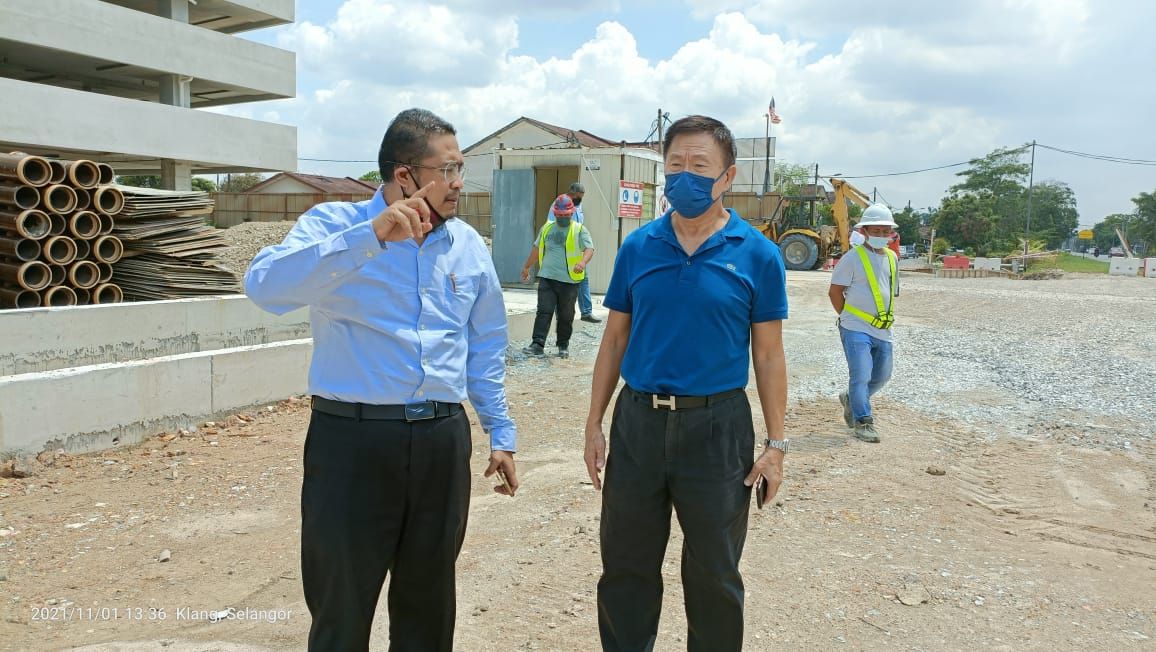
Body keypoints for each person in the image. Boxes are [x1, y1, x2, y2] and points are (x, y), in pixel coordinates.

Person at [244, 108, 518, 651]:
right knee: (342, 601)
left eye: (462, 167)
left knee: (429, 601)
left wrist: (500, 432)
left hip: (441, 439)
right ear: (405, 175)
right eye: (449, 170)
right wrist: (370, 237)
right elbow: (265, 287)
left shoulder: (468, 246)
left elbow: (485, 346)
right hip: (353, 442)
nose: (460, 183)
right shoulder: (332, 227)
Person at [583, 115, 789, 651]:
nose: (685, 177)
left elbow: (768, 356)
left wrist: (776, 445)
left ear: (728, 177)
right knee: (626, 567)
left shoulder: (759, 255)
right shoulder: (639, 247)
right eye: (675, 165)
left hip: (717, 429)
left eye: (700, 166)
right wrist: (593, 424)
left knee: (714, 574)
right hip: (638, 425)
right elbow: (613, 341)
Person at [829, 203, 899, 443]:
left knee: (881, 376)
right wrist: (848, 317)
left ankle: (851, 399)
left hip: (882, 328)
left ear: (891, 233)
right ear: (865, 231)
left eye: (885, 231)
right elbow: (835, 292)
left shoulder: (892, 258)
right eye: (875, 230)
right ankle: (863, 421)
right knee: (861, 374)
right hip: (855, 327)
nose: (880, 235)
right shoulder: (852, 258)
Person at [521, 193, 595, 359]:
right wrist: (526, 267)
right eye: (559, 215)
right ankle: (537, 344)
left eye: (565, 215)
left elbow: (589, 249)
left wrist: (582, 262)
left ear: (572, 213)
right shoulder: (547, 228)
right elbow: (536, 249)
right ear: (555, 213)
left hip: (569, 281)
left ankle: (563, 345)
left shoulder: (579, 230)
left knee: (566, 315)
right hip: (547, 278)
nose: (562, 218)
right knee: (544, 311)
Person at [548, 182, 601, 322]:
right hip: (562, 251)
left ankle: (586, 312)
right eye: (580, 196)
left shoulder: (577, 205)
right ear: (573, 193)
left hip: (576, 250)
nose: (581, 199)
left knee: (583, 279)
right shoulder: (559, 204)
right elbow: (553, 227)